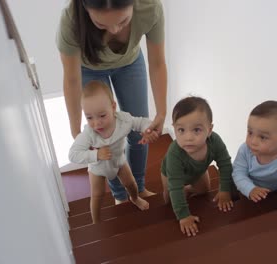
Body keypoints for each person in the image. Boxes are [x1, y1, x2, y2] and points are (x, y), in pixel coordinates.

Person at [56, 0, 167, 204]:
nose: (114, 30)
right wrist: (75, 132)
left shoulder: (150, 7)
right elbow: (71, 80)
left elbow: (158, 62)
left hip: (130, 64)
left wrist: (161, 112)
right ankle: (120, 195)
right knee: (103, 138)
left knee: (139, 132)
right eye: (101, 24)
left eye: (123, 21)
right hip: (88, 70)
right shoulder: (71, 21)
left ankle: (138, 188)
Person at [68, 80, 159, 223]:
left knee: (131, 184)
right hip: (97, 167)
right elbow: (73, 154)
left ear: (113, 107)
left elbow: (140, 122)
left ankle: (135, 198)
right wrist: (96, 155)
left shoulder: (123, 120)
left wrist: (147, 130)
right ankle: (95, 221)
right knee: (97, 196)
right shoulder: (88, 134)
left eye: (102, 115)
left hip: (119, 161)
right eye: (89, 117)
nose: (96, 123)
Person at [161, 96, 234, 237]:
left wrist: (225, 190)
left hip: (198, 171)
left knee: (204, 191)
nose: (188, 137)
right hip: (170, 175)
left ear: (210, 129)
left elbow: (225, 164)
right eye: (181, 130)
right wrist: (183, 216)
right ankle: (180, 198)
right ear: (174, 128)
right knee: (169, 199)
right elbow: (175, 186)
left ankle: (187, 189)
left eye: (196, 130)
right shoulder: (174, 153)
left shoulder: (215, 142)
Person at [232, 100, 277, 207]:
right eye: (250, 132)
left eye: (263, 137)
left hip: (273, 191)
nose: (253, 141)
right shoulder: (245, 150)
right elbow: (238, 173)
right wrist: (250, 189)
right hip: (246, 190)